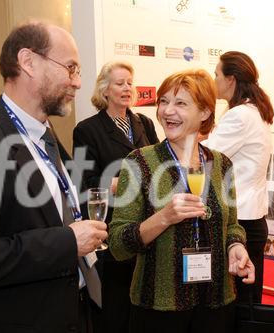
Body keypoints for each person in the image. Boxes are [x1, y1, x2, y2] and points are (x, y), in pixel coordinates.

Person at [0, 22, 107, 333]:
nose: (78, 82)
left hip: (73, 310)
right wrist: (67, 241)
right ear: (28, 62)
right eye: (70, 68)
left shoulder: (47, 134)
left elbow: (51, 207)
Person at [108, 69, 255, 333]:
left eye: (180, 103)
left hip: (216, 302)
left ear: (205, 113)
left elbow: (233, 226)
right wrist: (164, 217)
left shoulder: (221, 165)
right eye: (163, 101)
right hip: (158, 307)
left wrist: (236, 246)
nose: (167, 111)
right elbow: (119, 244)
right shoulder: (139, 162)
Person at [73, 61, 159, 333]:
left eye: (130, 83)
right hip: (112, 226)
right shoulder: (86, 130)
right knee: (115, 305)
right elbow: (80, 182)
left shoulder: (144, 122)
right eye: (120, 83)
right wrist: (119, 184)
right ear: (104, 90)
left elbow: (157, 163)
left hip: (146, 224)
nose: (127, 89)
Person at [202, 51, 273, 303]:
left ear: (230, 79)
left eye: (216, 75)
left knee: (240, 304)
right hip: (250, 218)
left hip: (240, 221)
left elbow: (205, 157)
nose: (214, 80)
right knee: (247, 300)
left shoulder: (240, 115)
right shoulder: (253, 111)